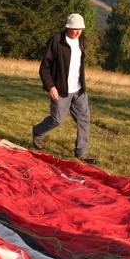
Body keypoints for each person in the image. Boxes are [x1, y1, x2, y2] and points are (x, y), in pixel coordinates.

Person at [32, 13, 97, 164]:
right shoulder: (56, 41)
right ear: (68, 27)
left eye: (80, 29)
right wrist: (51, 86)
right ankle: (38, 131)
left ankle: (82, 151)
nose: (78, 32)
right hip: (61, 89)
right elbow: (44, 67)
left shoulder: (82, 40)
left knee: (84, 119)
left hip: (79, 89)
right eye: (75, 29)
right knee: (57, 119)